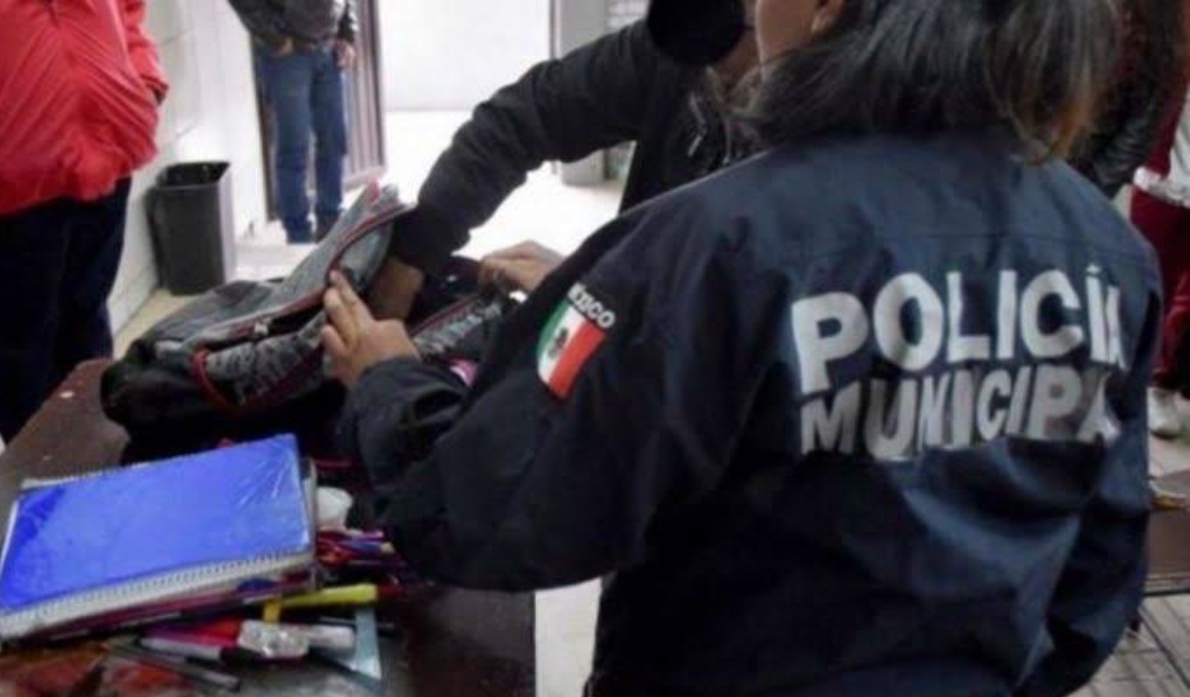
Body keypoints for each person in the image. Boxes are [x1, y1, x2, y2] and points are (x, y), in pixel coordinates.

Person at [323, 0, 1159, 695]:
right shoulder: (1106, 254)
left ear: (825, 8)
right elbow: (1096, 582)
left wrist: (389, 381)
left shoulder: (712, 245)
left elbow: (479, 514)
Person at [366, 1, 761, 319]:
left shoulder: (797, 175)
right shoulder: (678, 48)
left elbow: (727, 345)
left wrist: (597, 299)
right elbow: (526, 117)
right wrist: (416, 249)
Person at [0, 0, 165, 443]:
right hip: (7, 187)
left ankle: (99, 460)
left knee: (87, 322)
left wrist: (144, 81)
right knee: (24, 347)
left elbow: (127, 9)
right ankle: (40, 474)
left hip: (105, 153)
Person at [228, 0, 358, 244]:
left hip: (330, 49)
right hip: (289, 55)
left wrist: (347, 34)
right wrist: (275, 39)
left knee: (334, 142)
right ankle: (298, 236)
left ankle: (331, 227)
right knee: (294, 149)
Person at [1132, 39, 1190, 438]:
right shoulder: (1176, 40)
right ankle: (1134, 380)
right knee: (1147, 288)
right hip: (1163, 186)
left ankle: (1162, 381)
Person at [1072, 0, 1184, 197]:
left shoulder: (1160, 29)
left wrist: (1084, 196)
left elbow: (1134, 139)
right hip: (1033, 152)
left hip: (1083, 171)